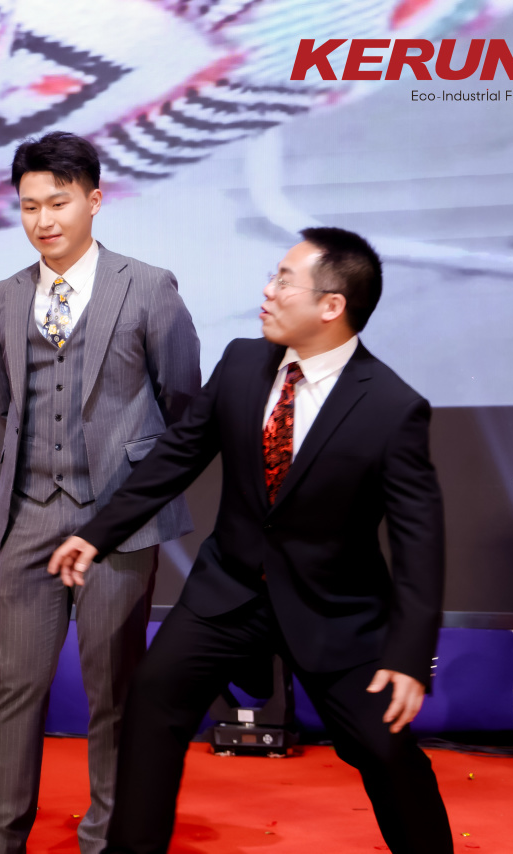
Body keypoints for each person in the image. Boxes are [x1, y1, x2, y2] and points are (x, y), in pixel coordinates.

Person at [50, 227, 453, 854]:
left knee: (383, 749)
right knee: (152, 704)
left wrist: (407, 655)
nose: (267, 291)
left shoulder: (392, 408)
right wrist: (97, 534)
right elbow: (176, 457)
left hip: (334, 610)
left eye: (284, 281)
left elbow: (419, 541)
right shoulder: (242, 363)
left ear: (331, 305)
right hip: (228, 591)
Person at [0, 132, 200, 854]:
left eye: (59, 202)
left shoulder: (149, 287)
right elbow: (9, 404)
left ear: (94, 201)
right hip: (29, 514)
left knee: (114, 689)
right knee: (15, 687)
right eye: (29, 206)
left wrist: (129, 494)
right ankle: (1, 838)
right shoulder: (5, 297)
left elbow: (183, 404)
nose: (43, 219)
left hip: (118, 521)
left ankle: (107, 838)